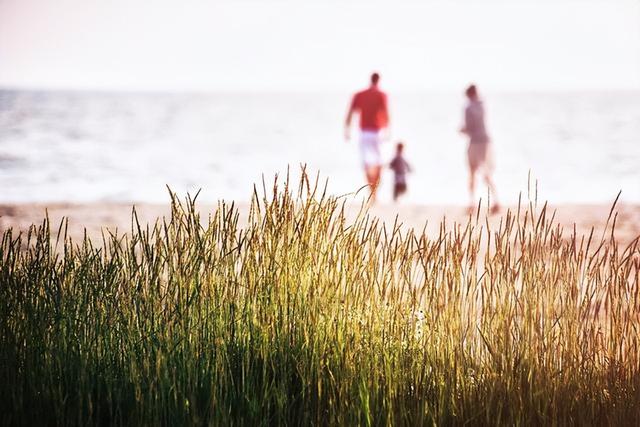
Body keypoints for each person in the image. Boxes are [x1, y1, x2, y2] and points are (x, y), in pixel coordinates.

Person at [345, 72, 390, 202]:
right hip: (378, 132)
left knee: (367, 163)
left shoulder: (359, 95)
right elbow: (386, 114)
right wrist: (388, 130)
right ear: (378, 80)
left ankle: (372, 192)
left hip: (364, 133)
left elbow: (350, 113)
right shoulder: (382, 95)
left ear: (370, 80)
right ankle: (374, 192)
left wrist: (347, 129)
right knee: (378, 163)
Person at [459, 84, 499, 214]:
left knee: (472, 173)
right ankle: (496, 201)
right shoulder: (482, 105)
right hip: (486, 141)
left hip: (475, 142)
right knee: (487, 173)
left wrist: (461, 130)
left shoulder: (468, 108)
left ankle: (472, 203)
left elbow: (469, 128)